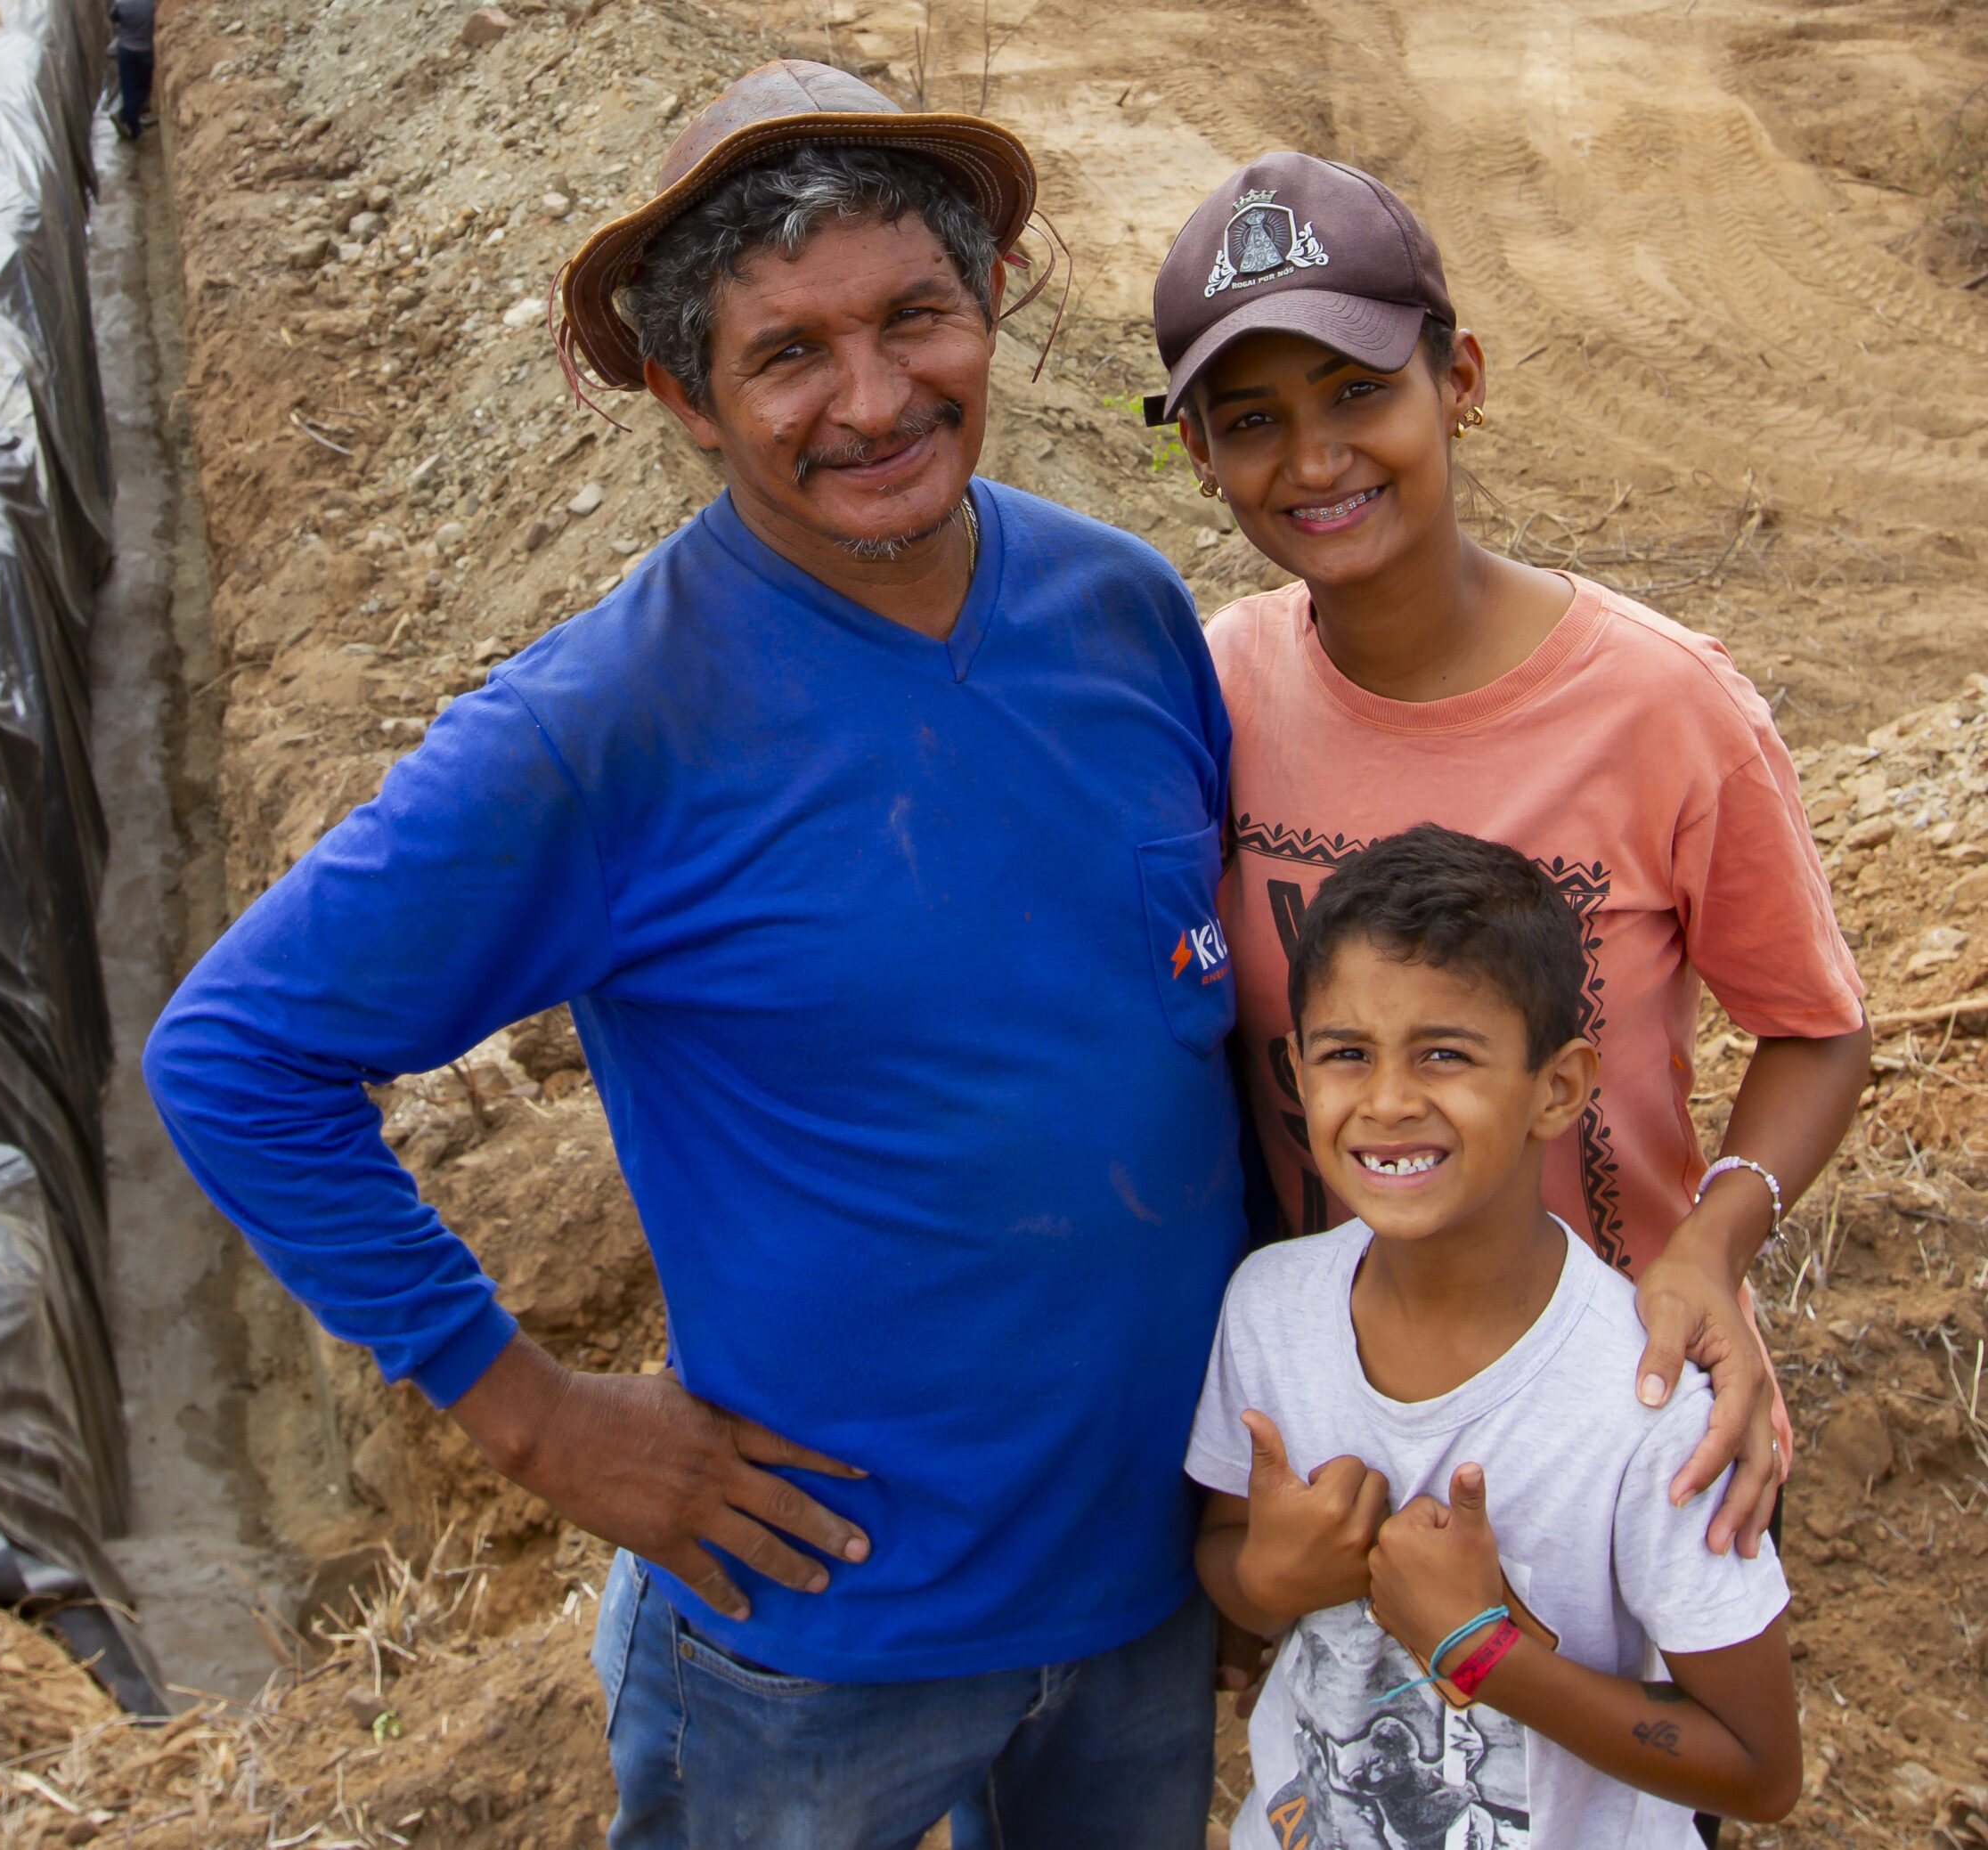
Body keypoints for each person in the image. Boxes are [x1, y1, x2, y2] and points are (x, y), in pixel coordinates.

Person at [145, 62, 1245, 1849]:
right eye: (788, 353)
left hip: (1146, 1585)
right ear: (684, 393)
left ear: (993, 311)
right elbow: (231, 1059)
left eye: (914, 317)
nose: (875, 399)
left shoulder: (1119, 608)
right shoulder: (607, 726)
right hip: (820, 1639)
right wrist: (531, 1418)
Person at [1149, 152, 1870, 1567]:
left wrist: (1708, 1249)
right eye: (1254, 420)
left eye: (1359, 391)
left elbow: (1816, 1030)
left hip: (1619, 1430)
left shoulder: (1663, 707)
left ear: (1459, 380)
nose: (1313, 461)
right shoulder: (1210, 693)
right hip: (1332, 1460)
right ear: (1202, 457)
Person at [1187, 825, 1800, 1848]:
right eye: (1347, 1053)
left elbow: (1757, 1764)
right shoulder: (1267, 1309)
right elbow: (1223, 1548)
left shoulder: (1644, 1404)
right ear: (1296, 1070)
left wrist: (1480, 1652)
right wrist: (1266, 1580)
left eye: (1444, 1054)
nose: (1386, 1100)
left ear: (1557, 1088)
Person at [108, 0, 155, 141]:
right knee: (143, 86)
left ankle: (134, 127)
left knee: (128, 89)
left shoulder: (121, 3)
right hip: (144, 51)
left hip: (125, 51)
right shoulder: (150, 3)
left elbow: (113, 17)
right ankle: (126, 115)